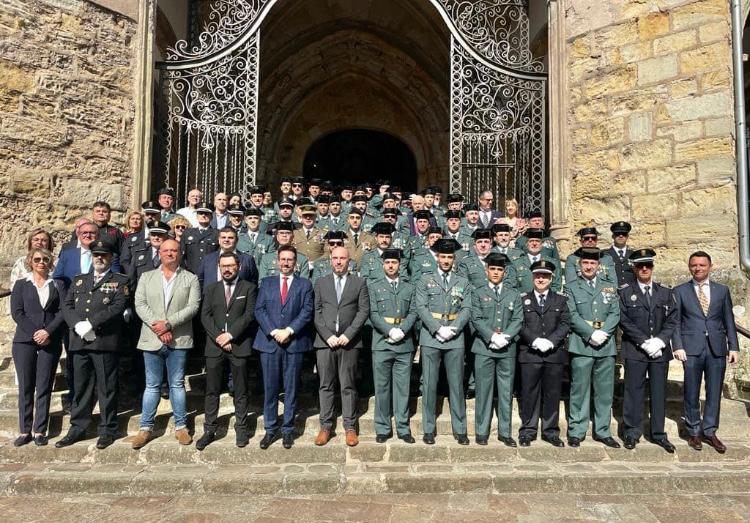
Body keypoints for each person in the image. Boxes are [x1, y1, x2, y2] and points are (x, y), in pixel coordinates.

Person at [57, 241, 130, 449]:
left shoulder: (118, 281)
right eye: (96, 255)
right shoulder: (80, 281)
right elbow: (67, 304)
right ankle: (78, 427)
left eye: (104, 255)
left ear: (110, 258)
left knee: (106, 387)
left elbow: (117, 306)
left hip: (104, 341)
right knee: (80, 387)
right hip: (80, 341)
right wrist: (77, 324)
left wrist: (91, 323)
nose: (99, 258)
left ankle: (107, 429)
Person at [129, 239, 201, 449]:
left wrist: (168, 324)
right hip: (152, 338)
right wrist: (158, 327)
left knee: (177, 383)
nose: (170, 254)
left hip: (178, 338)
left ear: (180, 253)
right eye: (166, 250)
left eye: (174, 250)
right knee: (152, 385)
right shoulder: (147, 276)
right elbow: (139, 303)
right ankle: (145, 428)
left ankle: (181, 427)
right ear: (159, 253)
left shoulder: (190, 278)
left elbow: (193, 307)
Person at [672, 251, 740, 453]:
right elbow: (675, 322)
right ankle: (693, 431)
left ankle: (710, 431)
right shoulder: (680, 291)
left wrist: (734, 346)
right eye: (694, 265)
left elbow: (729, 320)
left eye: (702, 265)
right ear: (689, 267)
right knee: (691, 391)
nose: (698, 268)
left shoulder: (722, 290)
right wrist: (678, 345)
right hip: (691, 348)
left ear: (710, 267)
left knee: (714, 392)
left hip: (717, 348)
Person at [254, 245, 315, 449]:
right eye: (283, 259)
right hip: (270, 343)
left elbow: (307, 311)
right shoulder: (267, 283)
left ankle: (288, 429)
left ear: (295, 262)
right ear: (277, 261)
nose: (286, 263)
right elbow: (259, 310)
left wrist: (289, 330)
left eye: (290, 260)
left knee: (291, 389)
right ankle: (270, 430)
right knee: (270, 389)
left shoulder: (304, 284)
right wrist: (273, 331)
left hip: (293, 343)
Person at [618, 249, 678, 452]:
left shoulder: (665, 293)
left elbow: (672, 320)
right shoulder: (625, 292)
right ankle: (631, 432)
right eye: (641, 266)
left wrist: (660, 341)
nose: (644, 269)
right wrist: (644, 342)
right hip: (636, 349)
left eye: (648, 265)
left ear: (652, 267)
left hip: (659, 352)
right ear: (634, 268)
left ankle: (658, 433)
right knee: (633, 391)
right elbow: (624, 321)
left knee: (659, 392)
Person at [196, 252, 258, 450]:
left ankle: (241, 428)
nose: (227, 269)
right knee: (212, 390)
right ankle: (209, 430)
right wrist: (220, 338)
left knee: (240, 390)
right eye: (224, 266)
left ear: (238, 266)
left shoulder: (248, 288)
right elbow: (205, 316)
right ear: (219, 268)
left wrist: (230, 335)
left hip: (239, 344)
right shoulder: (211, 289)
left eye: (231, 265)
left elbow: (249, 316)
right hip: (215, 346)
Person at [415, 238, 471, 445]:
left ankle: (460, 428)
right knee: (429, 384)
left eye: (449, 257)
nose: (446, 260)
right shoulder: (425, 280)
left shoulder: (462, 281)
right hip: (431, 337)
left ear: (454, 259)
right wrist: (437, 328)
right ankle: (429, 429)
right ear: (437, 257)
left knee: (456, 385)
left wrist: (453, 329)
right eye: (443, 256)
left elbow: (467, 308)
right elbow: (421, 307)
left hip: (455, 338)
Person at [313, 246, 370, 447]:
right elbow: (316, 312)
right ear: (330, 260)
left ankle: (350, 427)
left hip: (349, 343)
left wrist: (348, 335)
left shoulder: (359, 283)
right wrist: (327, 336)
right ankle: (325, 426)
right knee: (325, 385)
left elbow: (363, 311)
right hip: (325, 343)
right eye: (335, 258)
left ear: (349, 261)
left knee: (348, 385)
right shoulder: (321, 282)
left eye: (342, 258)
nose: (338, 262)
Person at [565, 248, 621, 448]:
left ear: (599, 266)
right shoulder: (572, 287)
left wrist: (604, 332)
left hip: (605, 345)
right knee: (579, 389)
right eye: (585, 263)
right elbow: (571, 314)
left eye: (593, 264)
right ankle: (577, 430)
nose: (589, 267)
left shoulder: (609, 287)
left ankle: (603, 431)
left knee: (604, 391)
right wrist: (590, 334)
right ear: (579, 266)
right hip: (581, 344)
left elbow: (615, 312)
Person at [10, 248, 66, 446]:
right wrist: (36, 332)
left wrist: (47, 332)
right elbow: (17, 312)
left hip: (49, 340)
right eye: (37, 259)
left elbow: (62, 311)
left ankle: (40, 430)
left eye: (45, 259)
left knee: (44, 386)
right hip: (24, 341)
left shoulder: (57, 285)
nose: (41, 262)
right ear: (30, 262)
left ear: (50, 263)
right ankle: (25, 430)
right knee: (26, 386)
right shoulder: (21, 284)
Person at [470, 253, 523, 446]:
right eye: (492, 269)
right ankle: (481, 431)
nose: (495, 272)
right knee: (483, 391)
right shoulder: (477, 292)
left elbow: (518, 319)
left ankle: (505, 432)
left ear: (504, 272)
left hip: (506, 349)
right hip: (484, 348)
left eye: (499, 269)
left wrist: (505, 337)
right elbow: (476, 318)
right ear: (486, 271)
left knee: (505, 391)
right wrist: (492, 336)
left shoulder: (513, 294)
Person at [518, 260, 570, 447]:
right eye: (538, 275)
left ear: (551, 278)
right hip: (530, 354)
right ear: (533, 277)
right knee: (529, 393)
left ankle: (550, 431)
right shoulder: (522, 299)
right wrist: (534, 340)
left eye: (545, 276)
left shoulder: (560, 300)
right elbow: (520, 323)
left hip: (553, 354)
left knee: (552, 393)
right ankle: (528, 430)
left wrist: (551, 341)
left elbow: (565, 323)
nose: (541, 279)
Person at [196, 227, 258, 292]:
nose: (226, 240)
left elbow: (253, 283)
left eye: (230, 238)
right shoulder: (207, 259)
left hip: (238, 300)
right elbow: (200, 281)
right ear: (219, 240)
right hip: (211, 299)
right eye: (223, 237)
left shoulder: (248, 259)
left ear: (237, 240)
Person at [181, 202, 219, 274]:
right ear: (197, 216)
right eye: (201, 213)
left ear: (211, 216)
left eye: (206, 213)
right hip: (190, 273)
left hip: (209, 273)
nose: (203, 215)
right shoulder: (187, 233)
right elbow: (182, 256)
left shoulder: (217, 234)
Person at [606, 221, 635, 288]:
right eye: (617, 233)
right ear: (613, 236)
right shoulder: (605, 255)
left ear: (627, 236)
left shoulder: (633, 255)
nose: (621, 236)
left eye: (624, 234)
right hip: (611, 291)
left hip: (631, 292)